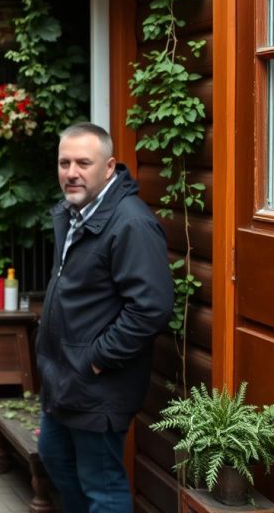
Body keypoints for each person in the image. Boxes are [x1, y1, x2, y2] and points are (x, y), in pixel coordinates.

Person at [35, 122, 173, 512]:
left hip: (98, 383)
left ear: (109, 167)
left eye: (83, 162)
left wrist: (97, 359)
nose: (71, 172)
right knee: (55, 457)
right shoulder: (75, 212)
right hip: (64, 379)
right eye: (64, 163)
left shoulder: (130, 223)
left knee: (103, 487)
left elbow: (151, 308)